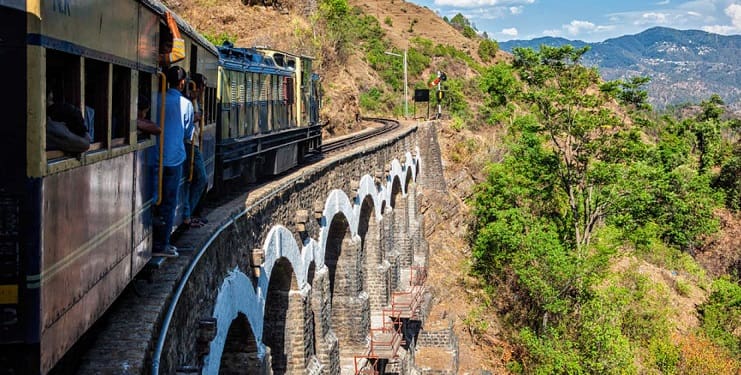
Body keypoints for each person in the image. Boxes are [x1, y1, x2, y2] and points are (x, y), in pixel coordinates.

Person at [152, 65, 194, 258]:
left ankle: (151, 239)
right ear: (183, 82)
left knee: (153, 200)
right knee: (168, 202)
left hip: (153, 156)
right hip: (174, 159)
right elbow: (188, 133)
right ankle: (163, 244)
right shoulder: (186, 104)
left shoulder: (155, 99)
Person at [182, 73, 208, 228]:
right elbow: (190, 118)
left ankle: (191, 213)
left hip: (194, 143)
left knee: (196, 180)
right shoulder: (188, 101)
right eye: (203, 87)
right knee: (201, 179)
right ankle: (189, 214)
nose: (203, 90)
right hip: (190, 144)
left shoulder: (195, 100)